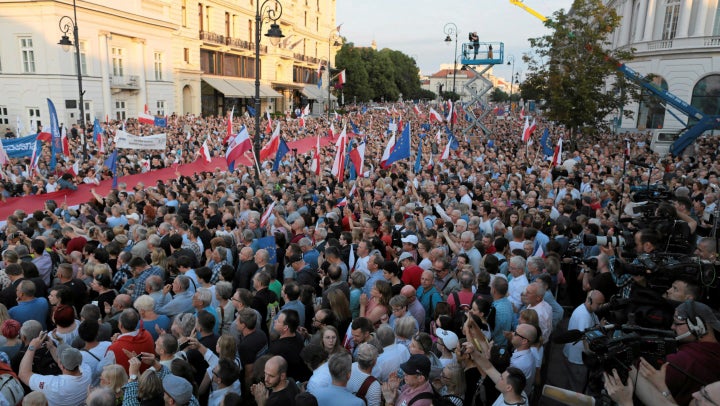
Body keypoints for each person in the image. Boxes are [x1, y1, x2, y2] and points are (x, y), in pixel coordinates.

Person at [18, 333, 92, 406]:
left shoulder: (54, 385)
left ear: (61, 365)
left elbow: (23, 374)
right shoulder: (87, 370)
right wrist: (51, 347)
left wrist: (31, 347)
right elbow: (66, 361)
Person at [562, 289, 605, 393]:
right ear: (589, 301)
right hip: (578, 360)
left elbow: (592, 328)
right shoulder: (584, 316)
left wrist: (600, 326)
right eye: (599, 304)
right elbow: (586, 340)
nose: (600, 307)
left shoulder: (589, 310)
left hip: (576, 357)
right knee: (577, 390)